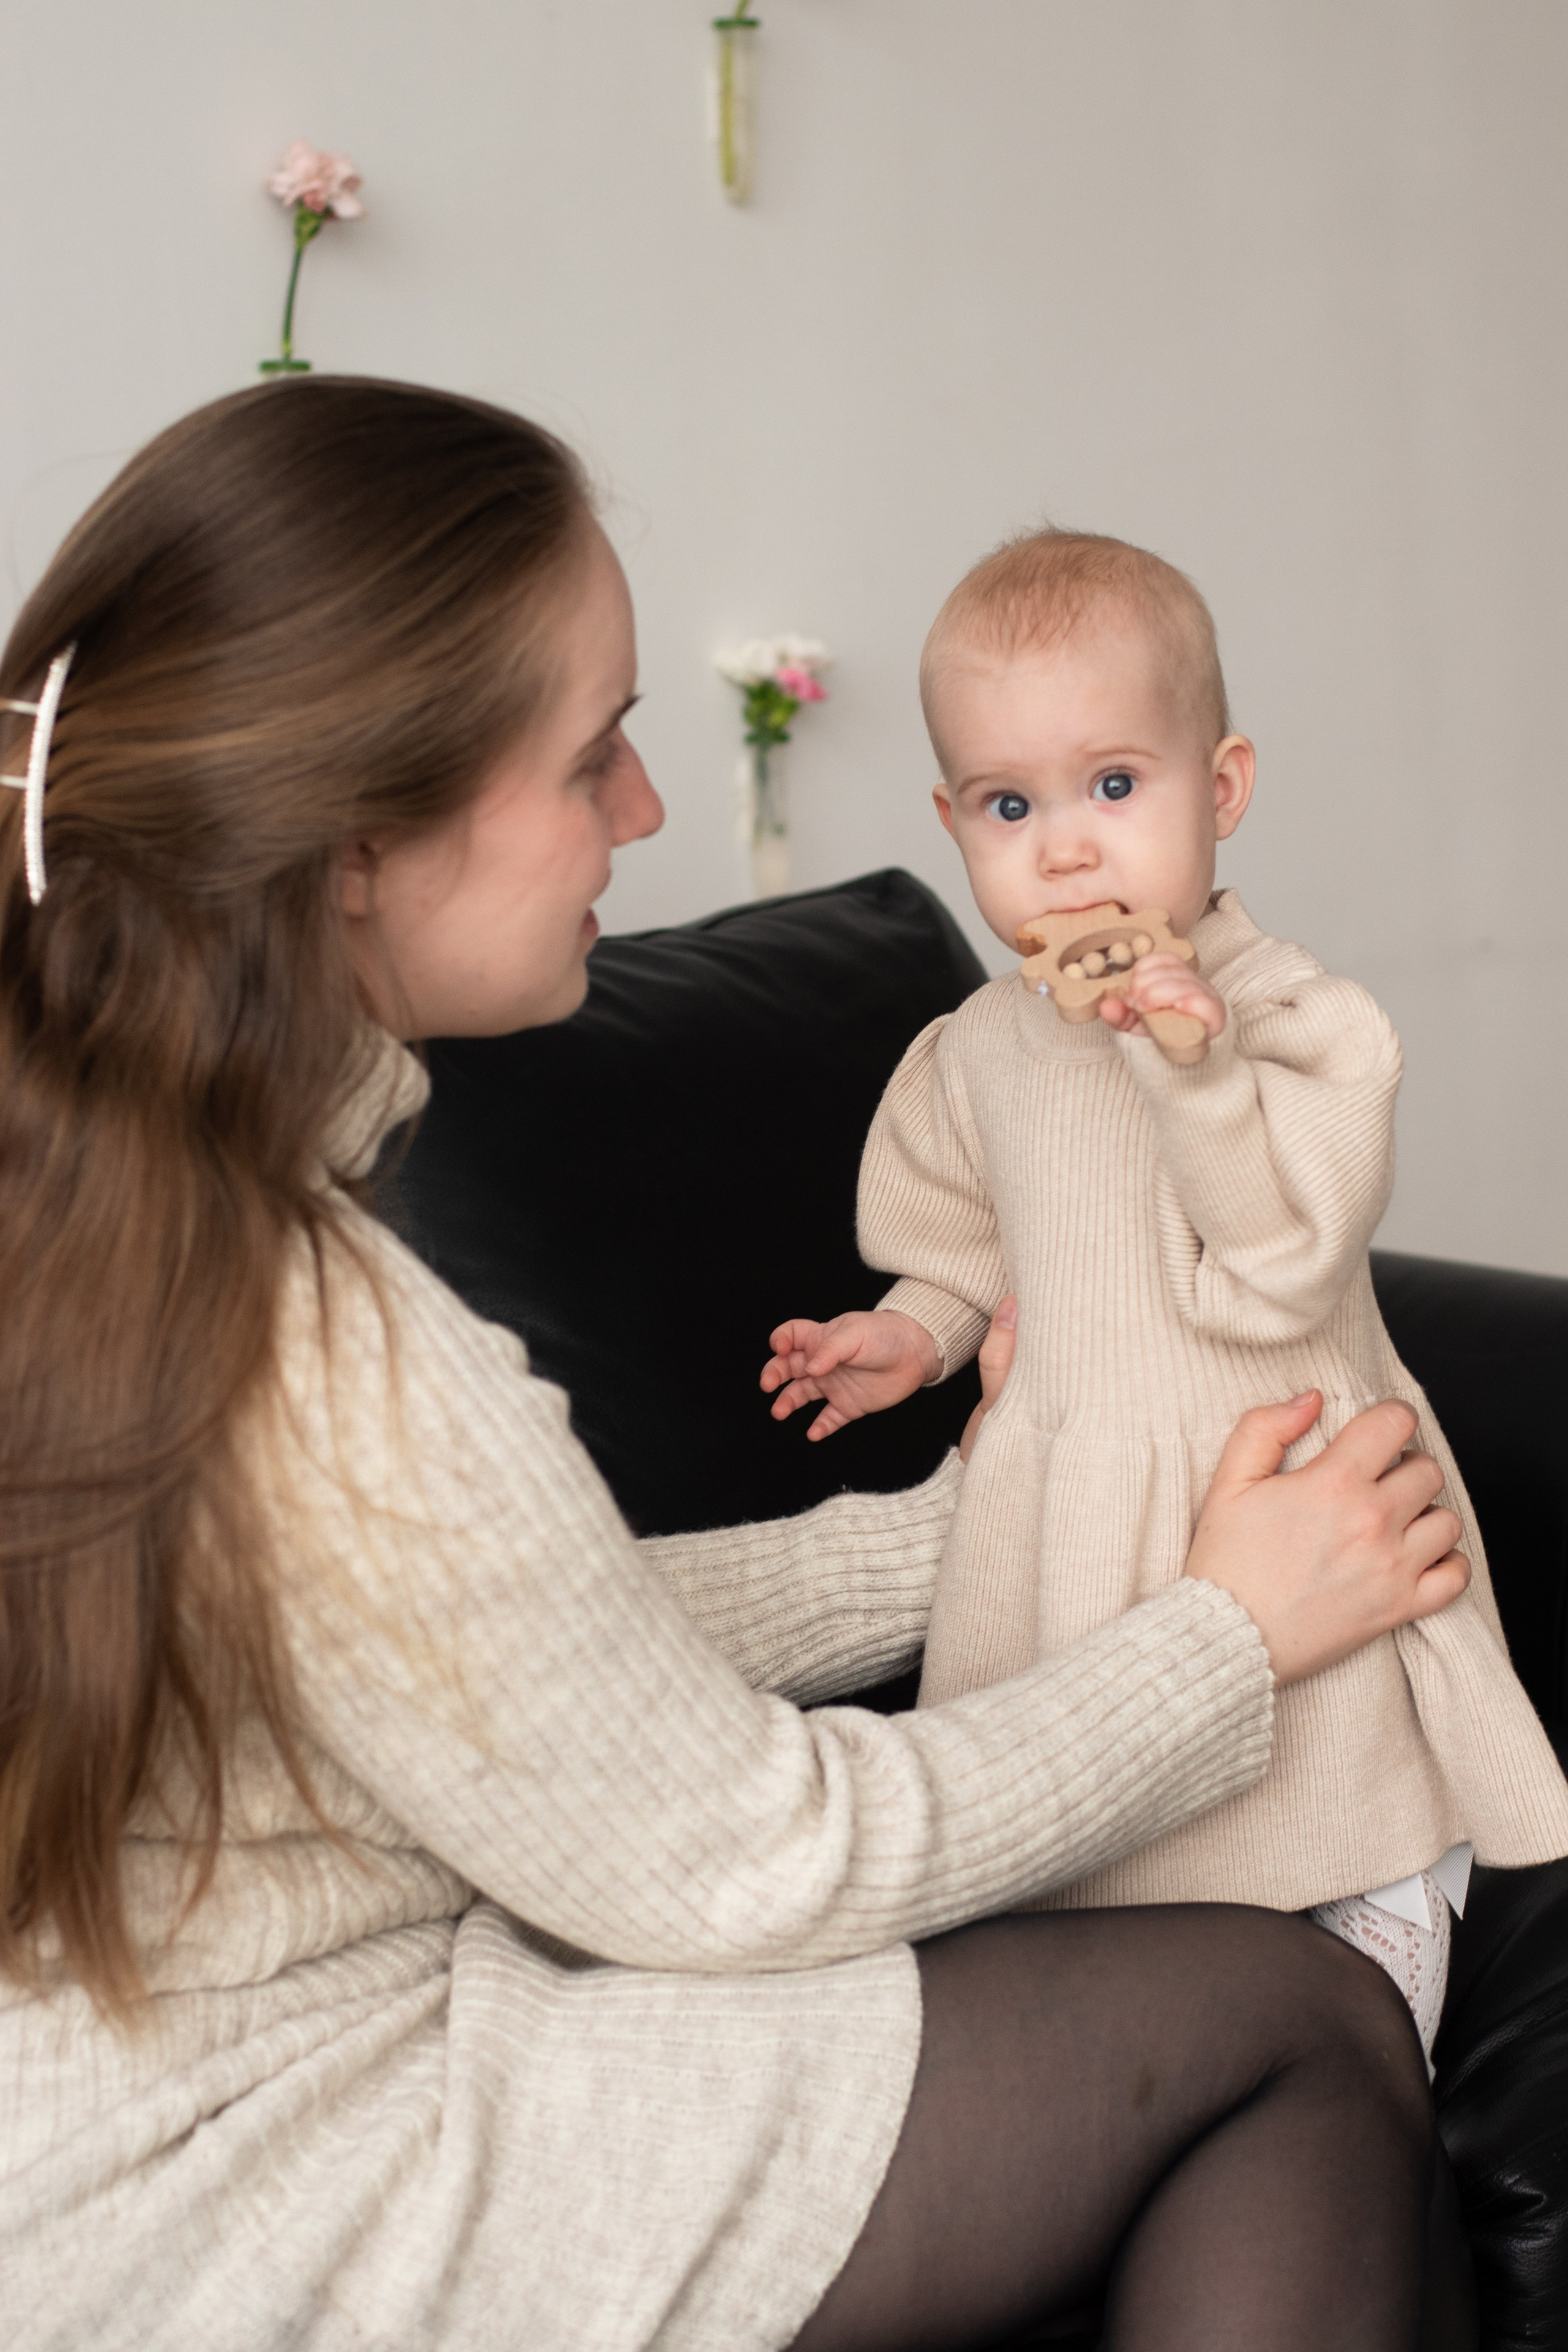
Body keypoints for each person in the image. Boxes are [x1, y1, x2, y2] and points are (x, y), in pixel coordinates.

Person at [0, 380, 1473, 2352]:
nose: (646, 813)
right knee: (1304, 2024)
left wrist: (968, 1533)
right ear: (357, 845)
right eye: (591, 755)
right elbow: (756, 1861)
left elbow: (512, 1644)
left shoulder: (113, 1184)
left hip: (117, 2130)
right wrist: (1227, 1636)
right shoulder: (321, 1341)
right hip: (263, 2189)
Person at [762, 528, 1568, 2055]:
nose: (1065, 852)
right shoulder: (981, 1048)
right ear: (949, 820)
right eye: (1008, 806)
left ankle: (1368, 1996)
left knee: (1337, 1783)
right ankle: (1159, 2034)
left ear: (1222, 787)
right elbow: (971, 1239)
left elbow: (1283, 1258)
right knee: (1106, 1845)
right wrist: (912, 1332)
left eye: (1114, 786)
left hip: (1279, 1477)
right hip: (1071, 1505)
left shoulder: (1295, 1023)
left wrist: (1191, 1069)